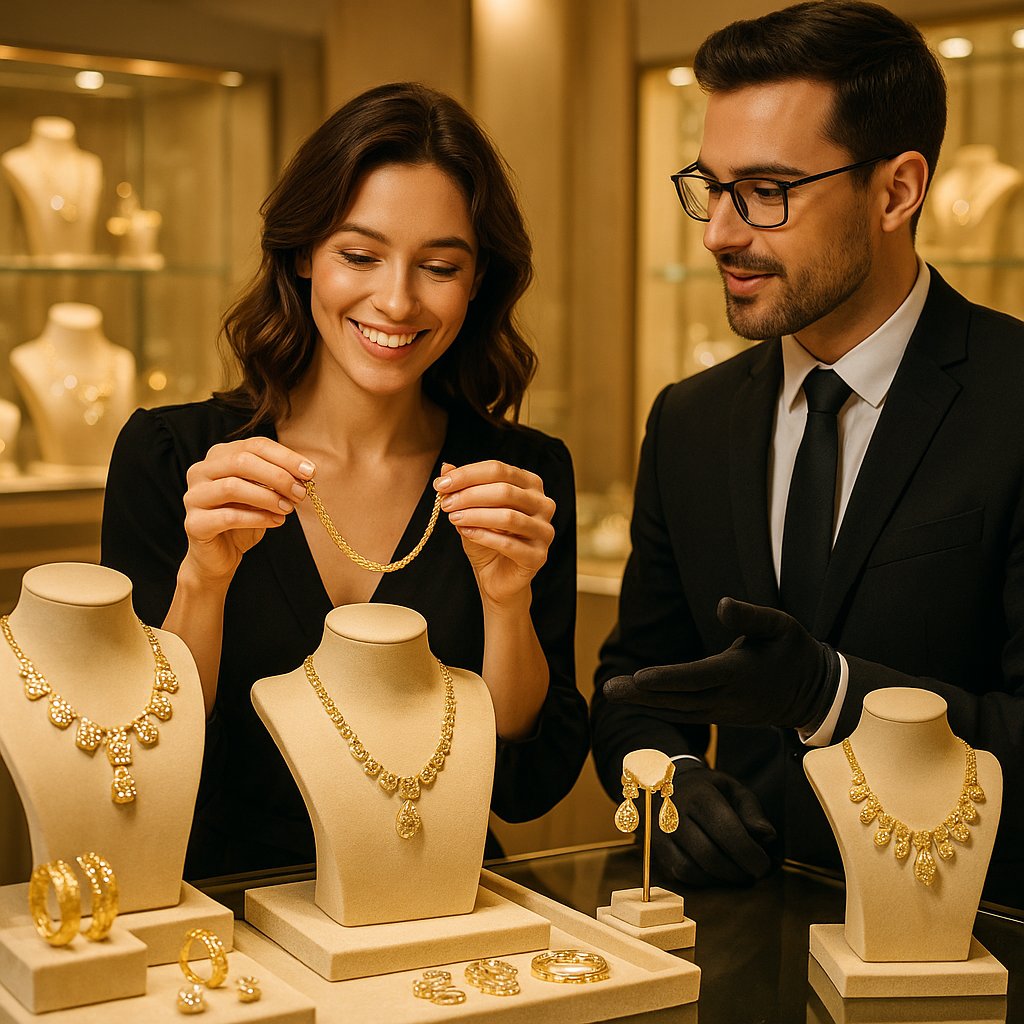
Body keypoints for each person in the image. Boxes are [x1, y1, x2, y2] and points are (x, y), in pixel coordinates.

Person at [592, 0, 1024, 908]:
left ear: (898, 191)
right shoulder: (690, 421)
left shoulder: (1014, 399)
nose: (718, 232)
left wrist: (830, 694)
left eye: (767, 191)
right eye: (711, 187)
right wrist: (668, 776)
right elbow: (635, 683)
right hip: (740, 940)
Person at [102, 82, 589, 878]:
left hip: (439, 908)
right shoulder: (172, 456)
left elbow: (528, 784)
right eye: (359, 256)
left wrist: (507, 605)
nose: (395, 301)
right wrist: (203, 581)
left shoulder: (522, 475)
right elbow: (138, 764)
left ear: (476, 284)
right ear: (303, 254)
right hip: (225, 913)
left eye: (438, 266)